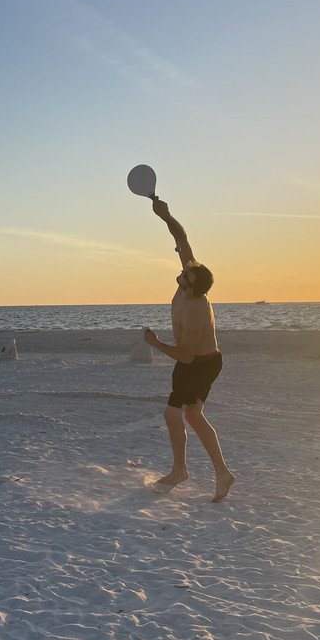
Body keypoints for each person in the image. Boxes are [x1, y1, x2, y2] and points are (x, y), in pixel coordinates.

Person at [142, 198, 235, 502]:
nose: (181, 274)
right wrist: (165, 215)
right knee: (193, 416)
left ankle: (180, 471)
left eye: (185, 277)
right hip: (201, 361)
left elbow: (185, 356)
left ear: (192, 290)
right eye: (185, 271)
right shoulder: (191, 279)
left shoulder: (196, 309)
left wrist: (155, 344)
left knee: (173, 414)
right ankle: (223, 474)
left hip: (201, 363)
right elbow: (181, 238)